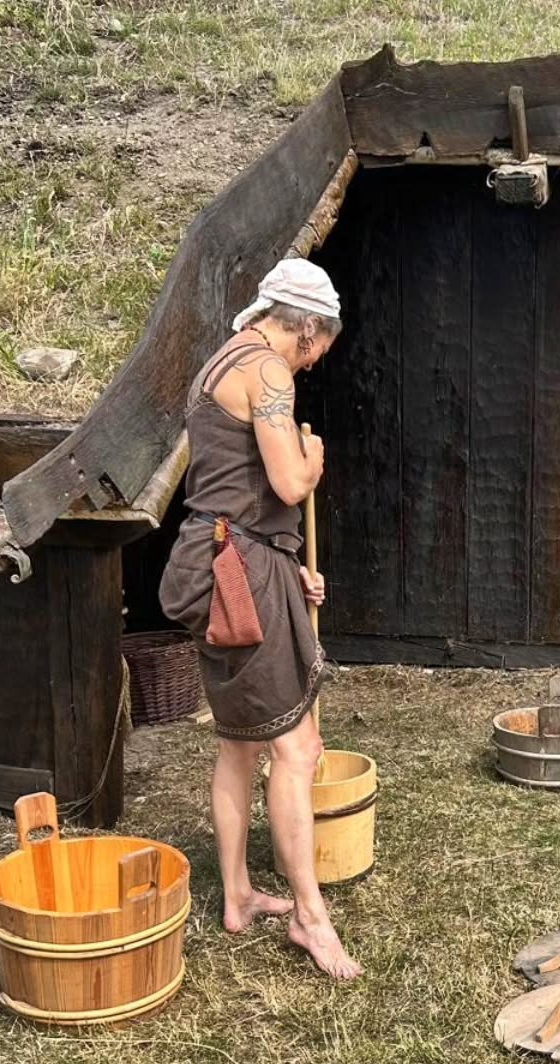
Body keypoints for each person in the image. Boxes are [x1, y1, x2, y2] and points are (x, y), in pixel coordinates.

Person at [159, 257, 360, 981]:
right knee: (297, 749)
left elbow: (232, 489)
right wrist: (313, 459)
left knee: (238, 744)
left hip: (227, 559)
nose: (313, 361)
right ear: (305, 328)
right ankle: (309, 916)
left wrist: (286, 561)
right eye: (319, 347)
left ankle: (240, 894)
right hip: (238, 571)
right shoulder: (269, 370)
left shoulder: (219, 361)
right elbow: (286, 481)